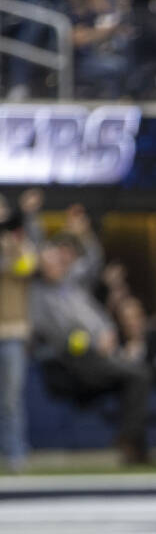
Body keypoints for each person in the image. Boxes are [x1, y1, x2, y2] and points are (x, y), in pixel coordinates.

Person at [31, 235, 151, 464]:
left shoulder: (71, 286)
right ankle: (129, 441)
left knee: (138, 375)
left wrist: (83, 234)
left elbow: (91, 260)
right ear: (42, 266)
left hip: (103, 353)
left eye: (60, 261)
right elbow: (57, 334)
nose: (59, 265)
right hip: (75, 361)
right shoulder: (39, 295)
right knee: (139, 375)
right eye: (52, 261)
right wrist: (95, 341)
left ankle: (135, 448)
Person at [0, 192, 40, 473]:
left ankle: (15, 454)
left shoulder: (18, 243)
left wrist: (11, 239)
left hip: (12, 333)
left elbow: (28, 266)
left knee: (10, 399)